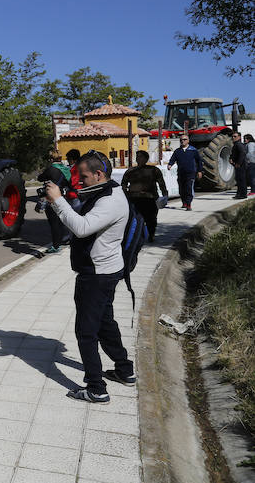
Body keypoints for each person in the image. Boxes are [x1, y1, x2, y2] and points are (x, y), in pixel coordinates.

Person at [44, 151, 133, 404]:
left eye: (83, 177)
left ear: (99, 174)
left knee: (86, 332)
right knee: (105, 323)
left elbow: (82, 229)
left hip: (96, 275)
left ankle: (96, 388)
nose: (79, 181)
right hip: (107, 269)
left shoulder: (110, 200)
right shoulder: (110, 190)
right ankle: (125, 370)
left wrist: (58, 201)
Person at [121, 150, 168, 241]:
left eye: (141, 156)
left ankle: (151, 234)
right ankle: (138, 235)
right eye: (137, 156)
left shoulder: (154, 170)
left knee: (151, 218)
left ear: (146, 159)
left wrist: (165, 194)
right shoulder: (130, 171)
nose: (138, 158)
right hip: (134, 198)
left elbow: (161, 183)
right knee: (136, 219)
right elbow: (124, 184)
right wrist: (125, 194)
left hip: (150, 198)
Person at [36, 161, 73, 253]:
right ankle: (62, 241)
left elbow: (40, 178)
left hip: (51, 197)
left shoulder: (51, 169)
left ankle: (56, 246)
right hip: (62, 197)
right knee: (61, 221)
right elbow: (70, 183)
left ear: (52, 158)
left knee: (54, 223)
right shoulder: (66, 170)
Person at [167, 134, 202, 210]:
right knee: (181, 189)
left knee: (188, 188)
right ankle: (184, 202)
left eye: (184, 139)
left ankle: (189, 204)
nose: (182, 141)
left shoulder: (193, 150)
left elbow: (199, 161)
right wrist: (170, 164)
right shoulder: (177, 151)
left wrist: (199, 171)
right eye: (181, 140)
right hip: (181, 173)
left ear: (188, 141)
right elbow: (173, 159)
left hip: (190, 173)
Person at [230, 131, 248, 199]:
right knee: (239, 180)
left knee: (241, 180)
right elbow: (234, 154)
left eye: (235, 136)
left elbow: (242, 153)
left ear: (239, 137)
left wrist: (238, 163)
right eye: (232, 136)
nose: (233, 138)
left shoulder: (239, 144)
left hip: (241, 165)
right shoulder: (236, 144)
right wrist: (231, 158)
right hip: (238, 165)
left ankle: (243, 195)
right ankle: (239, 194)